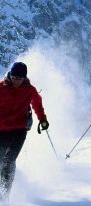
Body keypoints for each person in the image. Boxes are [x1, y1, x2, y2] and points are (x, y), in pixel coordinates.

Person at [0, 62, 49, 201]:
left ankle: (4, 196)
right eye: (14, 77)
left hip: (19, 130)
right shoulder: (1, 88)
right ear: (10, 75)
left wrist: (43, 119)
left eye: (20, 79)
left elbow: (37, 104)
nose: (16, 81)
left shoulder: (29, 90)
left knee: (9, 160)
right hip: (1, 131)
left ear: (24, 78)